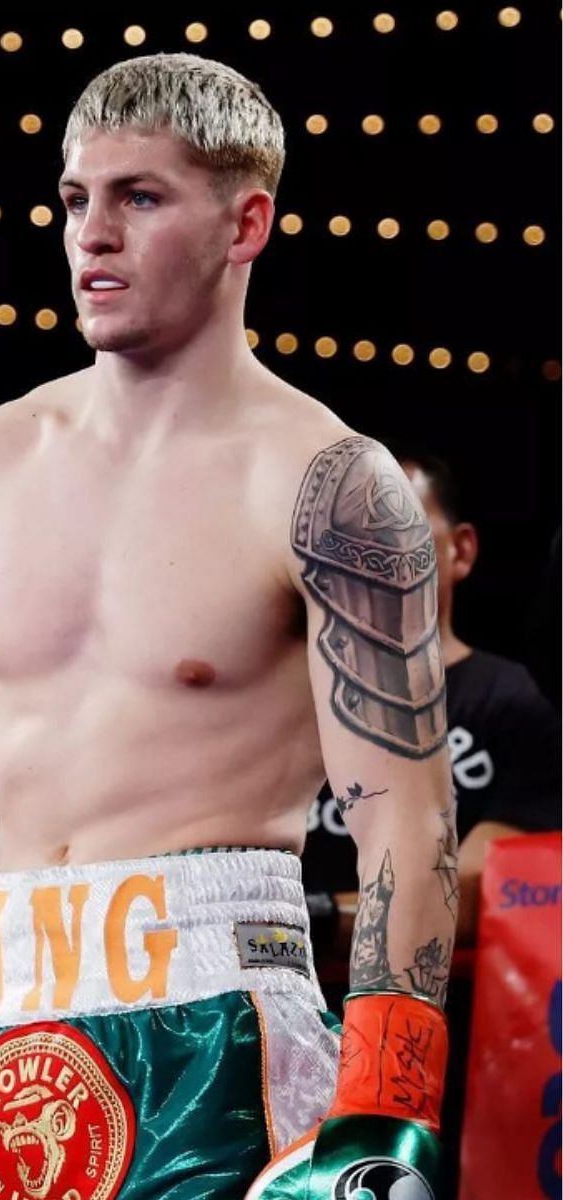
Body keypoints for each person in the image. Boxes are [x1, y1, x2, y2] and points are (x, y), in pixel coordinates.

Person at [0, 53, 457, 1200]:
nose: (92, 235)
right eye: (76, 200)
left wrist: (387, 1096)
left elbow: (405, 819)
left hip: (218, 1029)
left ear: (246, 222)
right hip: (0, 1019)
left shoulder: (328, 485)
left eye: (141, 197)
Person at [300, 452, 560, 1197]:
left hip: (439, 1043)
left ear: (463, 550)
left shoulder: (516, 702)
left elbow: (490, 889)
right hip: (289, 1027)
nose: (371, 551)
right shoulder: (291, 703)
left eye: (400, 527)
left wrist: (297, 924)